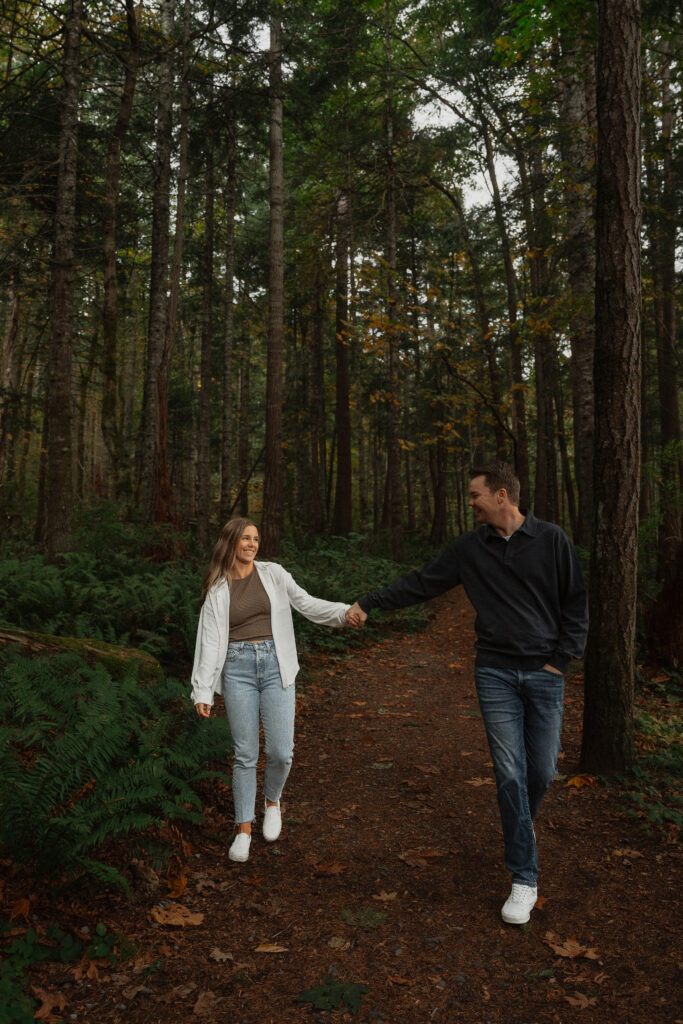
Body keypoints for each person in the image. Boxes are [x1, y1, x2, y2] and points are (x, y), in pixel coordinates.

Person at [346, 461, 588, 925]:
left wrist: (561, 660)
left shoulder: (552, 539)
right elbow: (422, 583)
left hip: (545, 673)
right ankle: (524, 877)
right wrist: (370, 602)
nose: (470, 503)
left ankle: (520, 829)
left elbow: (575, 603)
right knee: (511, 773)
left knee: (542, 771)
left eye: (475, 495)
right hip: (494, 672)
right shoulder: (470, 548)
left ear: (501, 496)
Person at [191, 518, 354, 863]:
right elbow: (206, 643)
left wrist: (343, 613)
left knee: (282, 752)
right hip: (237, 670)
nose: (252, 544)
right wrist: (202, 691)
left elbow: (306, 604)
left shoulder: (274, 574)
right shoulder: (218, 590)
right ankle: (243, 829)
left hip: (277, 665)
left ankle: (272, 800)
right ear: (230, 542)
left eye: (256, 539)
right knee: (245, 754)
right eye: (245, 538)